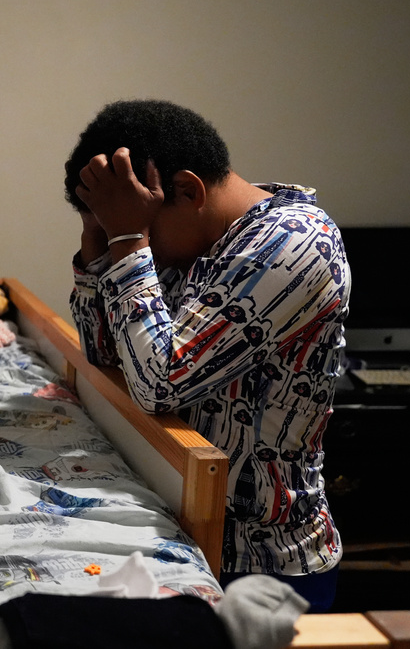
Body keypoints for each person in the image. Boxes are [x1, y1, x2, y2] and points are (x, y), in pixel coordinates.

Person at [64, 99, 347, 612]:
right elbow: (105, 356)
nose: (141, 248)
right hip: (182, 530)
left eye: (139, 229)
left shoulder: (294, 241)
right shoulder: (190, 240)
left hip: (264, 562)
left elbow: (158, 382)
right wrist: (97, 248)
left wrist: (130, 239)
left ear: (189, 190)